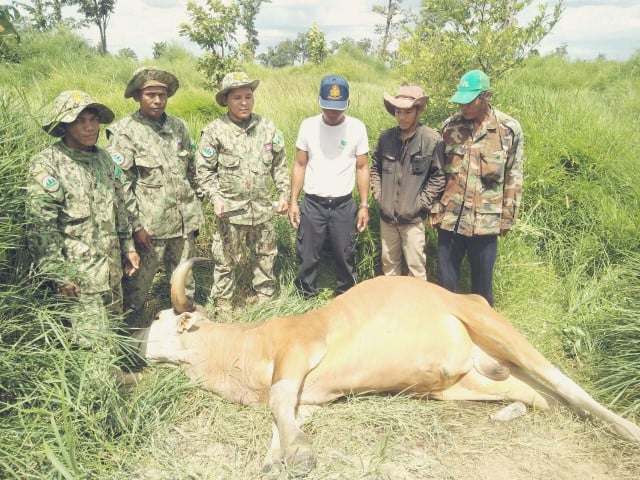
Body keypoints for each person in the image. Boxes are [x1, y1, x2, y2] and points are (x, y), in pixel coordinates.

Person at [26, 89, 140, 346]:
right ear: (64, 126)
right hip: (79, 279)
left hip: (111, 272)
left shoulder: (105, 160)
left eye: (93, 119)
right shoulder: (47, 165)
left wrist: (128, 247)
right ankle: (97, 384)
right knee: (91, 347)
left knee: (112, 336)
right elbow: (41, 229)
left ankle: (116, 380)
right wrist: (59, 275)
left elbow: (119, 207)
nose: (90, 127)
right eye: (80, 121)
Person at [107, 67, 204, 327]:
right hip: (150, 229)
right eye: (150, 94)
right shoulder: (124, 132)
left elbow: (191, 171)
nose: (157, 100)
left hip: (183, 223)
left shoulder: (178, 127)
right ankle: (130, 336)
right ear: (138, 96)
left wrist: (196, 212)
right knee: (137, 289)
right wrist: (136, 226)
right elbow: (121, 186)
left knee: (184, 284)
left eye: (162, 94)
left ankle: (186, 333)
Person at [196, 71, 290, 317]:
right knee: (226, 261)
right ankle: (224, 304)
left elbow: (279, 164)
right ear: (226, 100)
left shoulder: (267, 127)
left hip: (262, 209)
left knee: (265, 256)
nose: (244, 102)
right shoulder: (214, 131)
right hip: (230, 212)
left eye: (248, 96)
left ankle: (265, 299)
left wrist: (283, 194)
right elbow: (204, 171)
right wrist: (215, 198)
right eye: (237, 97)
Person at [432, 70, 524, 306]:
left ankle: (483, 332)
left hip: (485, 223)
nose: (463, 106)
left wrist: (507, 218)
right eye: (460, 100)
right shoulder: (450, 127)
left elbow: (514, 175)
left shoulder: (509, 130)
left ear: (486, 96)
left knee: (482, 288)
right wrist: (435, 207)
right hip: (450, 219)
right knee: (445, 284)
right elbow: (438, 172)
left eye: (469, 100)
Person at [289, 74, 370, 299]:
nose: (333, 113)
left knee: (345, 256)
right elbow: (299, 163)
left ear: (348, 103)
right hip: (313, 203)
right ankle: (305, 298)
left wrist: (364, 205)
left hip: (344, 204)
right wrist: (294, 201)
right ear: (319, 101)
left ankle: (345, 298)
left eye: (338, 108)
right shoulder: (308, 126)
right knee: (308, 256)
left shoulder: (356, 128)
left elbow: (362, 167)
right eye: (328, 107)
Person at [370, 83, 445, 279]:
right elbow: (374, 169)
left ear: (418, 111)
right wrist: (379, 195)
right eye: (398, 112)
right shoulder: (385, 138)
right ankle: (393, 308)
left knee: (416, 268)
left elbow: (439, 176)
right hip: (387, 218)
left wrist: (421, 203)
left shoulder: (431, 140)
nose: (402, 117)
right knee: (389, 267)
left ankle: (418, 309)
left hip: (413, 220)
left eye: (407, 112)